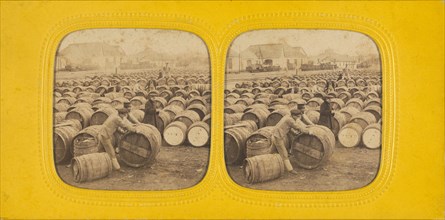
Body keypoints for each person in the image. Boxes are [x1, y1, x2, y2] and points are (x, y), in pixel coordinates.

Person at [272, 108, 312, 175]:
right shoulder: (290, 120)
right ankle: (290, 169)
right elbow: (297, 127)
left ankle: (275, 164)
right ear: (293, 115)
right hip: (278, 136)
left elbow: (289, 128)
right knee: (284, 153)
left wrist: (295, 134)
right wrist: (308, 132)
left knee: (275, 151)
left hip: (276, 134)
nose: (298, 118)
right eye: (297, 116)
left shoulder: (287, 116)